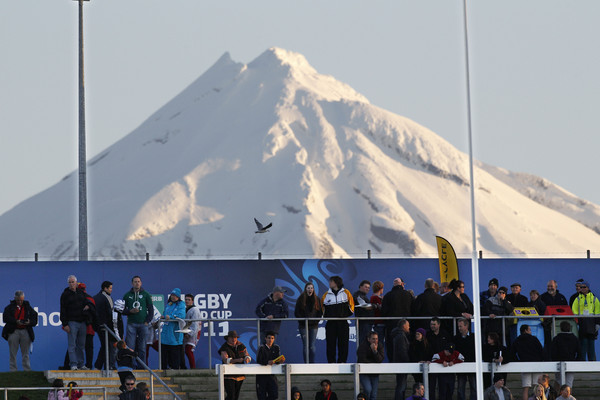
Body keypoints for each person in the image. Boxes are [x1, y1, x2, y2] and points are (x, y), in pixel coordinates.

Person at [60, 275, 93, 370]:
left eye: (73, 282)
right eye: (70, 282)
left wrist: (87, 306)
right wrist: (65, 324)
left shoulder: (81, 292)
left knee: (81, 345)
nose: (71, 284)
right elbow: (62, 309)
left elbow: (87, 301)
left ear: (76, 283)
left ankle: (81, 364)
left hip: (82, 322)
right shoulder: (65, 294)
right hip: (71, 322)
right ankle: (73, 364)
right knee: (72, 345)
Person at [2, 290, 38, 371]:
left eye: (21, 300)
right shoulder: (9, 308)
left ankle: (27, 369)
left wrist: (29, 322)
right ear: (15, 298)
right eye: (18, 300)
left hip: (25, 330)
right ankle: (13, 370)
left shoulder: (28, 307)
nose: (20, 302)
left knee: (25, 353)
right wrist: (15, 321)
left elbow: (35, 318)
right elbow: (5, 318)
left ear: (24, 298)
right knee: (12, 352)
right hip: (13, 331)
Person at [123, 276, 154, 369]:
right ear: (132, 283)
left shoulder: (146, 294)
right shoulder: (127, 295)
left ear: (141, 283)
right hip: (131, 324)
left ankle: (141, 367)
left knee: (142, 348)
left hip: (143, 324)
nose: (137, 283)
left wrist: (147, 321)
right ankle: (131, 366)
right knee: (130, 347)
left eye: (139, 281)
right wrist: (130, 311)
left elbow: (151, 309)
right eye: (135, 282)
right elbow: (122, 310)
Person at [322, 276, 354, 363]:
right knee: (330, 344)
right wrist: (329, 316)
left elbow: (352, 308)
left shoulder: (346, 293)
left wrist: (342, 315)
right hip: (331, 323)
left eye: (331, 281)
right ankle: (331, 363)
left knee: (343, 344)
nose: (329, 283)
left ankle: (342, 362)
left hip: (343, 322)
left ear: (336, 282)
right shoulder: (326, 295)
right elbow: (323, 310)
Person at [382, 278, 413, 361]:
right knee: (406, 345)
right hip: (406, 325)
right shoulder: (408, 295)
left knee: (391, 345)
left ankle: (392, 365)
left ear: (394, 284)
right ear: (402, 284)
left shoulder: (388, 295)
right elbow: (413, 309)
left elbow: (384, 311)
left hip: (391, 325)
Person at [511, 324, 544, 400]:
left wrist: (518, 361)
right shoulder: (534, 339)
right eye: (529, 330)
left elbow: (512, 353)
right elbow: (541, 351)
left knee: (526, 388)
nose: (531, 331)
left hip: (524, 364)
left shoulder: (517, 340)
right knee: (537, 387)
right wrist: (541, 360)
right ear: (525, 330)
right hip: (536, 364)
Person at [570, 280, 600, 361]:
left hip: (591, 324)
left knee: (591, 344)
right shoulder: (577, 299)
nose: (582, 288)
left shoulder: (594, 299)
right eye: (581, 287)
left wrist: (597, 324)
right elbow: (574, 311)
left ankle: (592, 364)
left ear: (588, 288)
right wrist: (577, 323)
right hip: (582, 324)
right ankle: (582, 362)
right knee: (583, 344)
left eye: (584, 287)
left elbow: (598, 312)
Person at [294, 282, 323, 363]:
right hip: (303, 326)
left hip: (314, 326)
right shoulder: (301, 299)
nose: (310, 289)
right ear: (305, 289)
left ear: (313, 289)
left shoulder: (317, 299)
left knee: (312, 346)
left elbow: (320, 312)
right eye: (308, 288)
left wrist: (316, 321)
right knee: (305, 346)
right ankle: (306, 364)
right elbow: (297, 312)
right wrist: (302, 321)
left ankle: (312, 364)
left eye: (311, 288)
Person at [219, 330, 251, 400]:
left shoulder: (241, 345)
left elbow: (247, 355)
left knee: (236, 396)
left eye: (235, 337)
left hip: (240, 374)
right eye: (231, 338)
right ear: (228, 338)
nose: (234, 339)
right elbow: (225, 360)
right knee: (231, 396)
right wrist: (237, 360)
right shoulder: (224, 348)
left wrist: (247, 358)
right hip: (229, 375)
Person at [93, 281, 116, 370]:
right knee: (107, 346)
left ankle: (99, 365)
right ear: (105, 288)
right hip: (106, 327)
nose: (111, 290)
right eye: (110, 288)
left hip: (98, 326)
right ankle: (104, 366)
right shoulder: (107, 297)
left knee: (105, 346)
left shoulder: (95, 297)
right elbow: (111, 313)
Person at [161, 288, 186, 369]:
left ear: (178, 297)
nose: (173, 297)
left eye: (175, 295)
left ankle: (175, 369)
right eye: (172, 295)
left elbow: (181, 316)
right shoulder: (169, 304)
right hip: (165, 334)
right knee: (164, 353)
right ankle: (164, 368)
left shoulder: (181, 304)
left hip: (175, 334)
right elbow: (165, 314)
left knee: (174, 354)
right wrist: (163, 316)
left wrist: (171, 317)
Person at [550, 321, 580, 388]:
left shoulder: (556, 339)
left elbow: (553, 352)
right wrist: (576, 361)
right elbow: (579, 352)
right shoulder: (575, 339)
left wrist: (555, 361)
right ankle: (568, 397)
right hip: (571, 363)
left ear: (560, 328)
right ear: (570, 328)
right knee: (569, 384)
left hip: (559, 363)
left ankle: (557, 397)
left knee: (558, 382)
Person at [426, 317, 449, 400]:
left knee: (442, 387)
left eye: (434, 324)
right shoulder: (427, 335)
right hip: (431, 364)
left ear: (439, 324)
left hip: (442, 364)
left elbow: (448, 348)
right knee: (431, 387)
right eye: (431, 324)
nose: (432, 326)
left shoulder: (445, 334)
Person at [357, 331, 384, 400]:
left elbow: (380, 360)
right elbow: (362, 359)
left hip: (374, 373)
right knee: (368, 389)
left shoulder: (379, 345)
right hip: (364, 372)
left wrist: (375, 351)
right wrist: (374, 362)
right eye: (373, 339)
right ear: (368, 339)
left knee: (374, 394)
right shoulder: (362, 346)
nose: (375, 341)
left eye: (376, 339)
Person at [256, 331, 283, 400]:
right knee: (261, 396)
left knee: (274, 395)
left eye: (272, 338)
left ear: (274, 339)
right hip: (261, 376)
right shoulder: (261, 348)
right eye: (269, 338)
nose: (270, 340)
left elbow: (277, 359)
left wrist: (279, 361)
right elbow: (259, 360)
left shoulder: (276, 347)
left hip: (271, 375)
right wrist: (267, 362)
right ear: (265, 338)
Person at [454, 318, 476, 400]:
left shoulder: (474, 337)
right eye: (458, 326)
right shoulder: (456, 338)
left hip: (472, 365)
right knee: (460, 387)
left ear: (466, 326)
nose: (459, 328)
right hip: (460, 366)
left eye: (461, 326)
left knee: (474, 387)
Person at [78, 282, 97, 369]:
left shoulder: (78, 297)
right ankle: (89, 365)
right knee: (89, 348)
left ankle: (69, 364)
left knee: (75, 346)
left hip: (83, 326)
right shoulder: (90, 298)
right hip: (90, 328)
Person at [392, 319, 411, 400]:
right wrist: (408, 363)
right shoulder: (400, 336)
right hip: (402, 364)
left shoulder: (399, 335)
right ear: (404, 326)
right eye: (408, 325)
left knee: (402, 385)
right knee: (401, 386)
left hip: (401, 364)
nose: (409, 327)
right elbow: (402, 351)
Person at [183, 293, 201, 369]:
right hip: (186, 331)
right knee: (184, 350)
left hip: (194, 332)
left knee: (188, 350)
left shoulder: (195, 310)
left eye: (189, 300)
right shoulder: (185, 309)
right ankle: (184, 367)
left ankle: (193, 368)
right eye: (186, 299)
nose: (187, 301)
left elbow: (195, 324)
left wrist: (189, 333)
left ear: (192, 301)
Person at [370, 281, 386, 351]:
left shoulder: (377, 297)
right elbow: (381, 309)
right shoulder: (375, 298)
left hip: (379, 323)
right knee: (380, 342)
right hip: (379, 323)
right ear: (380, 288)